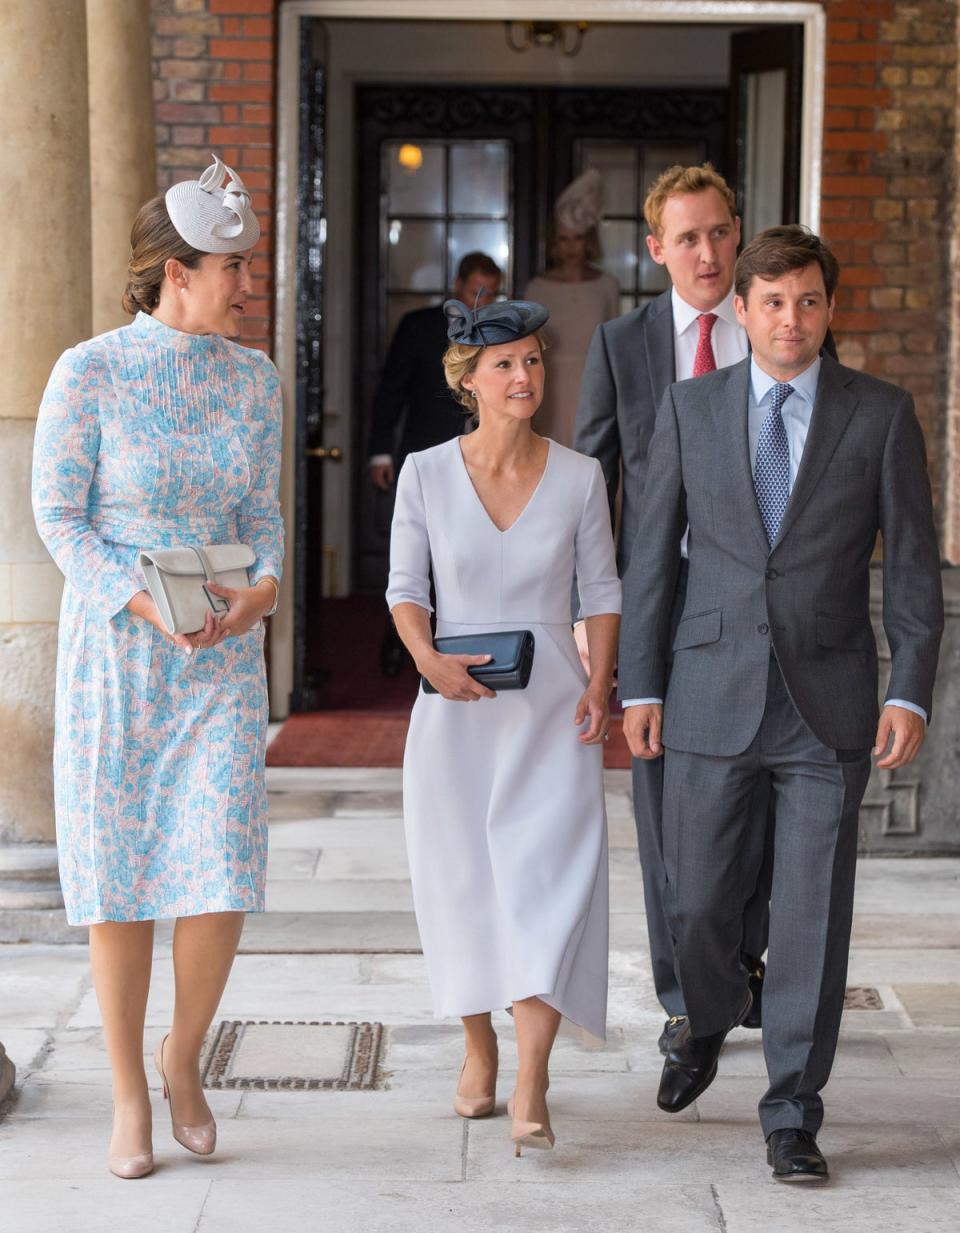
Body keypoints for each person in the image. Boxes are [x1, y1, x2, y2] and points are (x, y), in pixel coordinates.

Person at [619, 226, 943, 1182]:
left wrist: (910, 687)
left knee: (811, 913)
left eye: (807, 301)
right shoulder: (689, 408)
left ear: (827, 309)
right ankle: (710, 1014)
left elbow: (916, 569)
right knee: (702, 905)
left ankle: (793, 1110)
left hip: (827, 703)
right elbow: (652, 559)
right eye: (772, 303)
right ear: (743, 312)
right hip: (708, 691)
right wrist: (640, 682)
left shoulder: (880, 415)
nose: (790, 319)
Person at [32, 155, 284, 1180]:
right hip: (118, 657)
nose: (246, 285)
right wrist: (142, 600)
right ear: (178, 271)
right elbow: (59, 518)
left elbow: (262, 522)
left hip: (219, 660)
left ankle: (185, 1058)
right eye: (233, 268)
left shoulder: (256, 378)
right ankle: (129, 1093)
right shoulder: (86, 370)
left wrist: (260, 592)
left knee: (220, 862)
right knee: (121, 879)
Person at [386, 296, 621, 1156]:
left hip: (554, 711)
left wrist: (600, 679)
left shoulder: (579, 475)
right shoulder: (424, 474)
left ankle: (532, 1075)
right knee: (463, 885)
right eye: (506, 365)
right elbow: (405, 590)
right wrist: (428, 662)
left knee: (548, 885)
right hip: (454, 714)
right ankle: (478, 1045)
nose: (525, 376)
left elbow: (601, 592)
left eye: (533, 361)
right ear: (469, 381)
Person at [574, 164, 772, 1055]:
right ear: (655, 249)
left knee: (764, 792)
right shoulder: (624, 345)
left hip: (761, 608)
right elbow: (591, 485)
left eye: (720, 232)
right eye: (687, 237)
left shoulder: (777, 329)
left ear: (739, 234)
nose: (707, 252)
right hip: (661, 604)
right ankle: (685, 994)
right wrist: (588, 614)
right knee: (664, 808)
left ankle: (744, 963)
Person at [369, 252, 501, 676]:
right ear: (457, 286)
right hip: (424, 455)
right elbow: (391, 391)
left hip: (484, 462)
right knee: (413, 558)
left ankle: (464, 641)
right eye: (474, 291)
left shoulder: (500, 333)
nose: (480, 303)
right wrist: (381, 451)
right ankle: (399, 641)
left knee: (467, 554)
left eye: (490, 294)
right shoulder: (419, 327)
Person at [523, 169, 619, 447]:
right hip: (549, 386)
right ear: (555, 242)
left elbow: (614, 344)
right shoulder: (537, 289)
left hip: (595, 384)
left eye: (577, 238)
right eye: (564, 239)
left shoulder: (607, 286)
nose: (571, 247)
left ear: (588, 240)